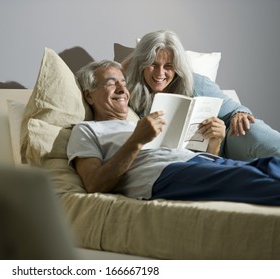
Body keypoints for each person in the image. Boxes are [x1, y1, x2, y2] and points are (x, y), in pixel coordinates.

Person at [67, 60, 280, 206]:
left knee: (271, 166)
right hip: (164, 175)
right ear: (89, 96)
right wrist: (136, 141)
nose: (122, 89)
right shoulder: (86, 129)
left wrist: (215, 141)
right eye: (111, 83)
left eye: (123, 82)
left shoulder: (139, 122)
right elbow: (94, 184)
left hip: (199, 161)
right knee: (254, 181)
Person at [124, 29, 280, 162]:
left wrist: (240, 113)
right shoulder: (128, 91)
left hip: (225, 145)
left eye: (168, 66)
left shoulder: (197, 84)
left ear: (177, 67)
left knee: (252, 129)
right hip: (193, 161)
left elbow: (236, 110)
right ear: (142, 63)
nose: (160, 73)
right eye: (153, 64)